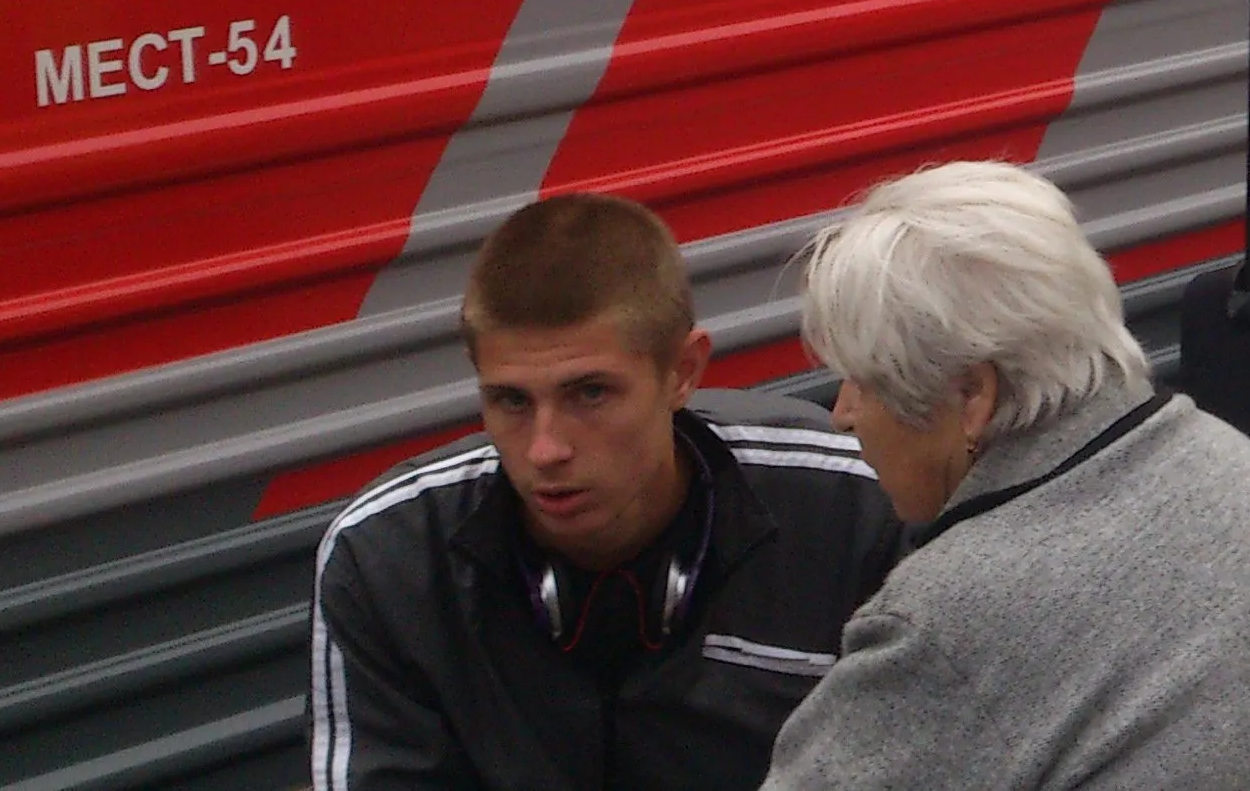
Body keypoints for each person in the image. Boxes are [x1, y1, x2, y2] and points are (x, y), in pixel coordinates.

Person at [763, 160, 1250, 791]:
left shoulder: (952, 621)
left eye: (864, 382)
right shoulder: (1219, 456)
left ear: (971, 397)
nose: (843, 415)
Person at [308, 195, 903, 791]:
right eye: (511, 401)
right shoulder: (387, 559)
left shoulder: (855, 509)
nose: (545, 450)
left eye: (589, 394)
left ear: (682, 372)